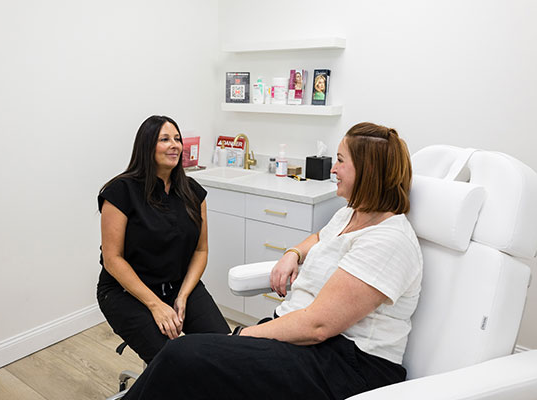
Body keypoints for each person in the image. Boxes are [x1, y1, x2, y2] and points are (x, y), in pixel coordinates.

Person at [123, 122, 423, 399]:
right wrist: (293, 254)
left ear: (368, 171)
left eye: (342, 160)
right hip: (308, 340)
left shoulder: (389, 241)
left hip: (347, 362)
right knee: (194, 371)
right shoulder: (352, 215)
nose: (333, 168)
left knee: (183, 355)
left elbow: (318, 326)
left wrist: (242, 335)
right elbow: (322, 238)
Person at [97, 115, 230, 364]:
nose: (175, 145)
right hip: (126, 293)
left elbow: (201, 251)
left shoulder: (193, 193)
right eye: (165, 139)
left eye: (177, 139)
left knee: (227, 350)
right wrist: (155, 305)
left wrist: (183, 296)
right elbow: (112, 259)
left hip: (179, 286)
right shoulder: (120, 192)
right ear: (147, 146)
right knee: (174, 363)